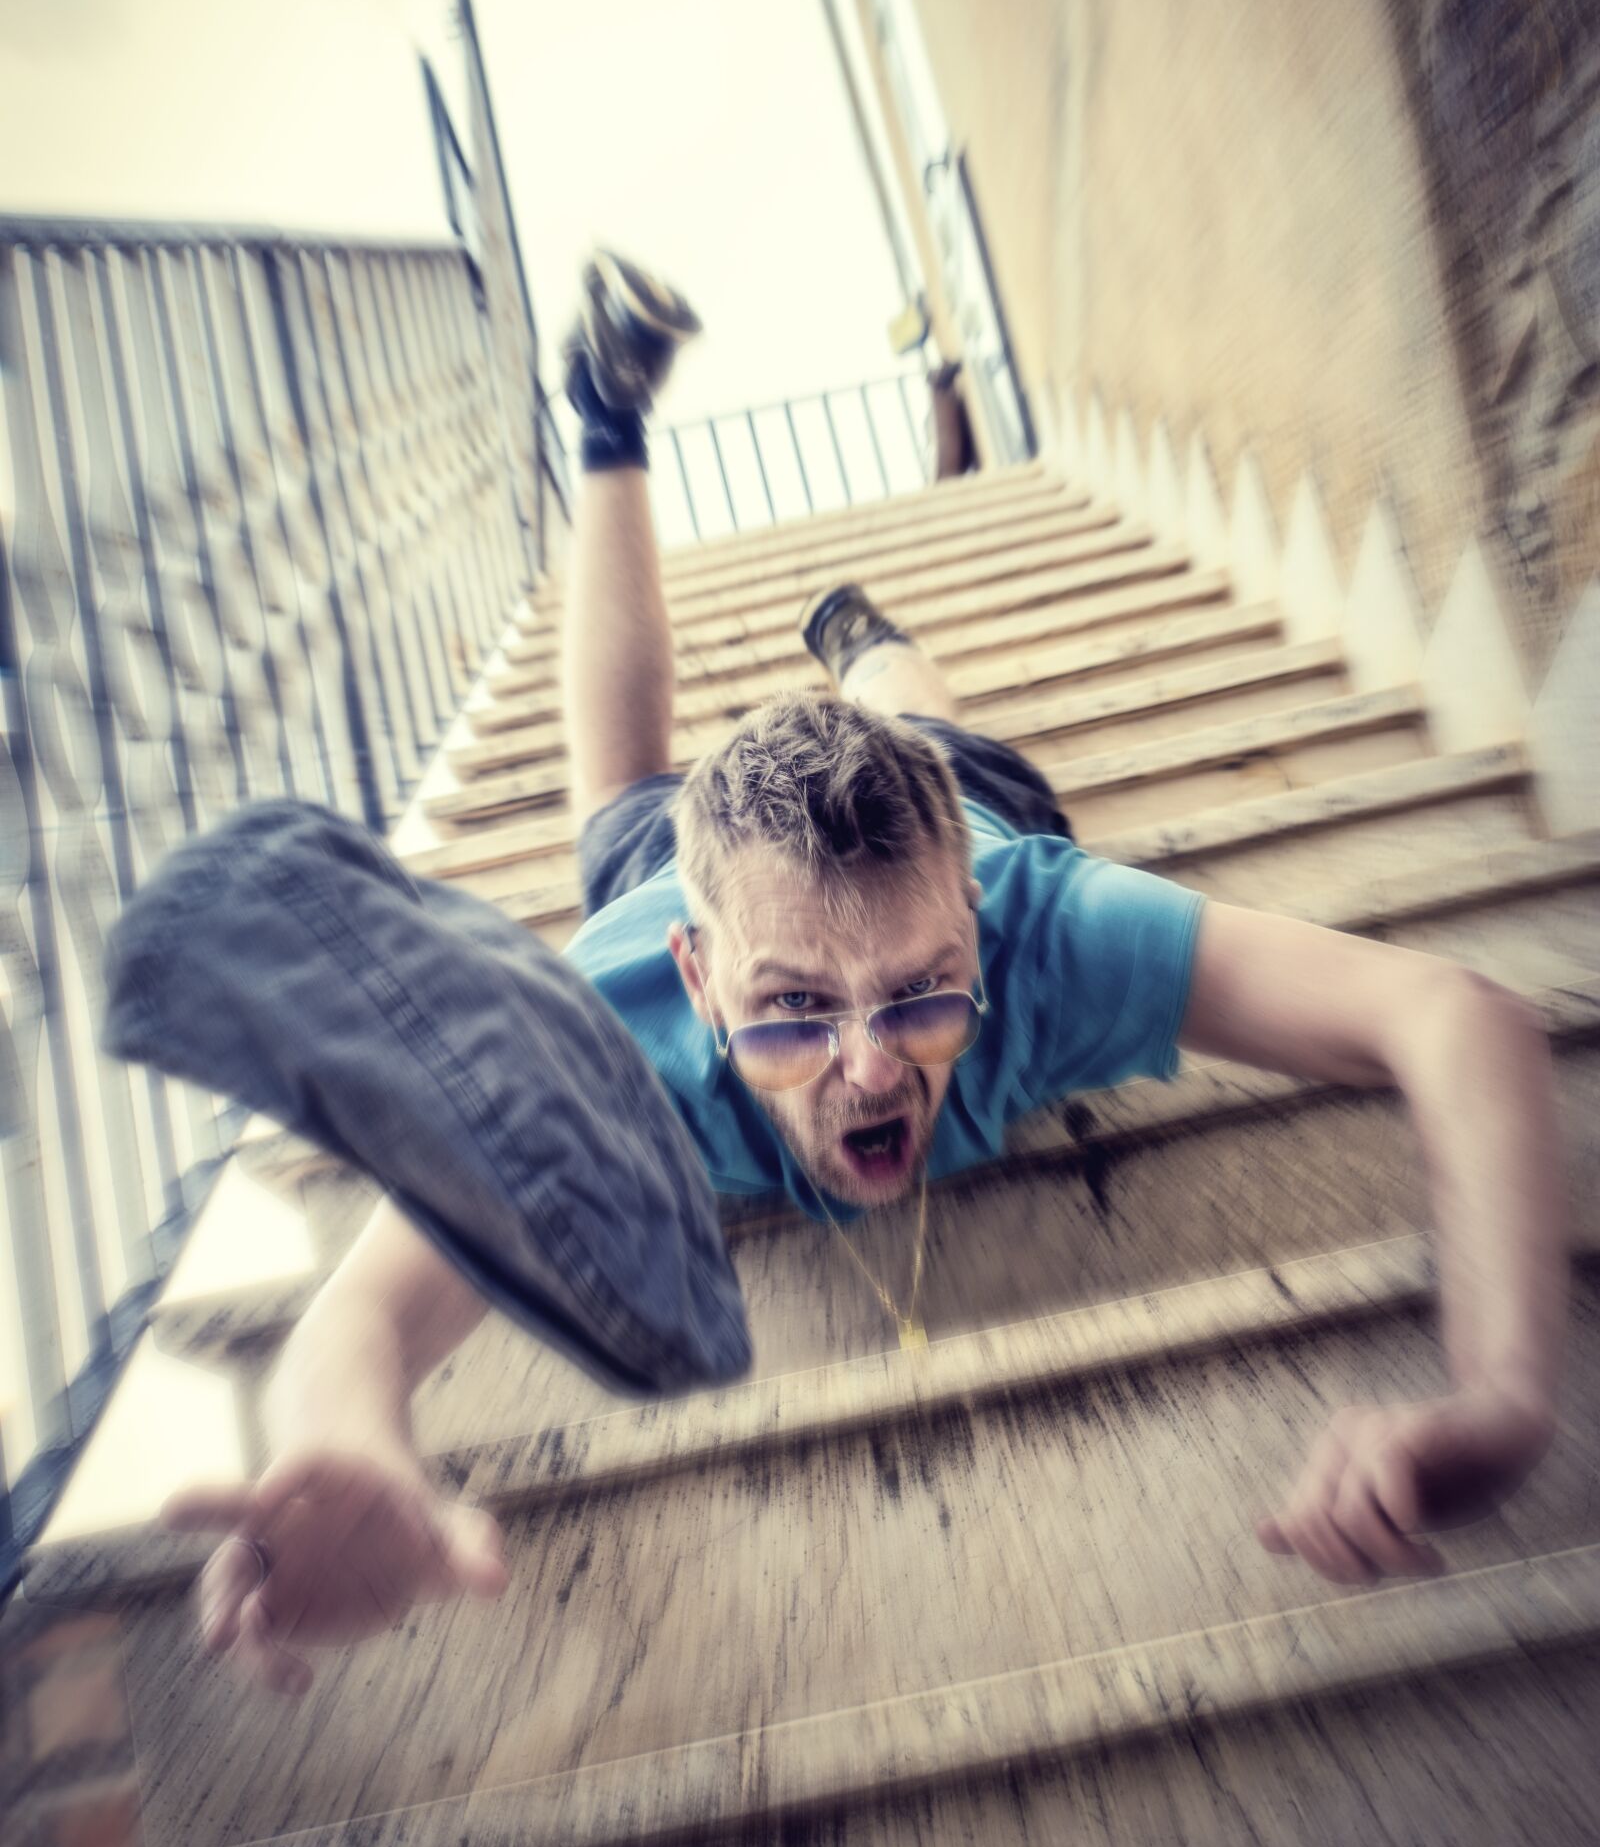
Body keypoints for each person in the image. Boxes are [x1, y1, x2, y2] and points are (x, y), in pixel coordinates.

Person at [162, 250, 1567, 1696]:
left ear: (975, 920)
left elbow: (1452, 1017)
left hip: (949, 802)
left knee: (938, 742)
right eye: (788, 1014)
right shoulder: (597, 1048)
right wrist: (346, 1443)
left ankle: (867, 649)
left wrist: (1507, 1401)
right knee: (616, 805)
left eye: (921, 987)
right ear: (701, 983)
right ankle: (606, 416)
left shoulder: (1043, 922)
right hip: (672, 866)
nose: (873, 1066)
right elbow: (362, 1316)